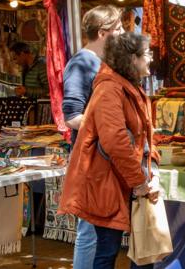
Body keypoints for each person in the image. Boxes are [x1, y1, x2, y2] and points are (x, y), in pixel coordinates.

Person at [58, 32, 160, 269]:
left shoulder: (126, 86)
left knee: (140, 247)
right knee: (107, 249)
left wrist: (150, 170)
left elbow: (143, 135)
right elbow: (115, 140)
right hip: (106, 180)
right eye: (148, 54)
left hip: (121, 177)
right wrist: (138, 180)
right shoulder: (110, 89)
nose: (152, 59)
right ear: (132, 59)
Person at [61, 5, 124, 269]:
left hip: (103, 160)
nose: (123, 32)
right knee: (89, 232)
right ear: (103, 32)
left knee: (99, 232)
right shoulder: (82, 62)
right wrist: (107, 130)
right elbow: (72, 115)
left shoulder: (103, 63)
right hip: (91, 162)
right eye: (118, 28)